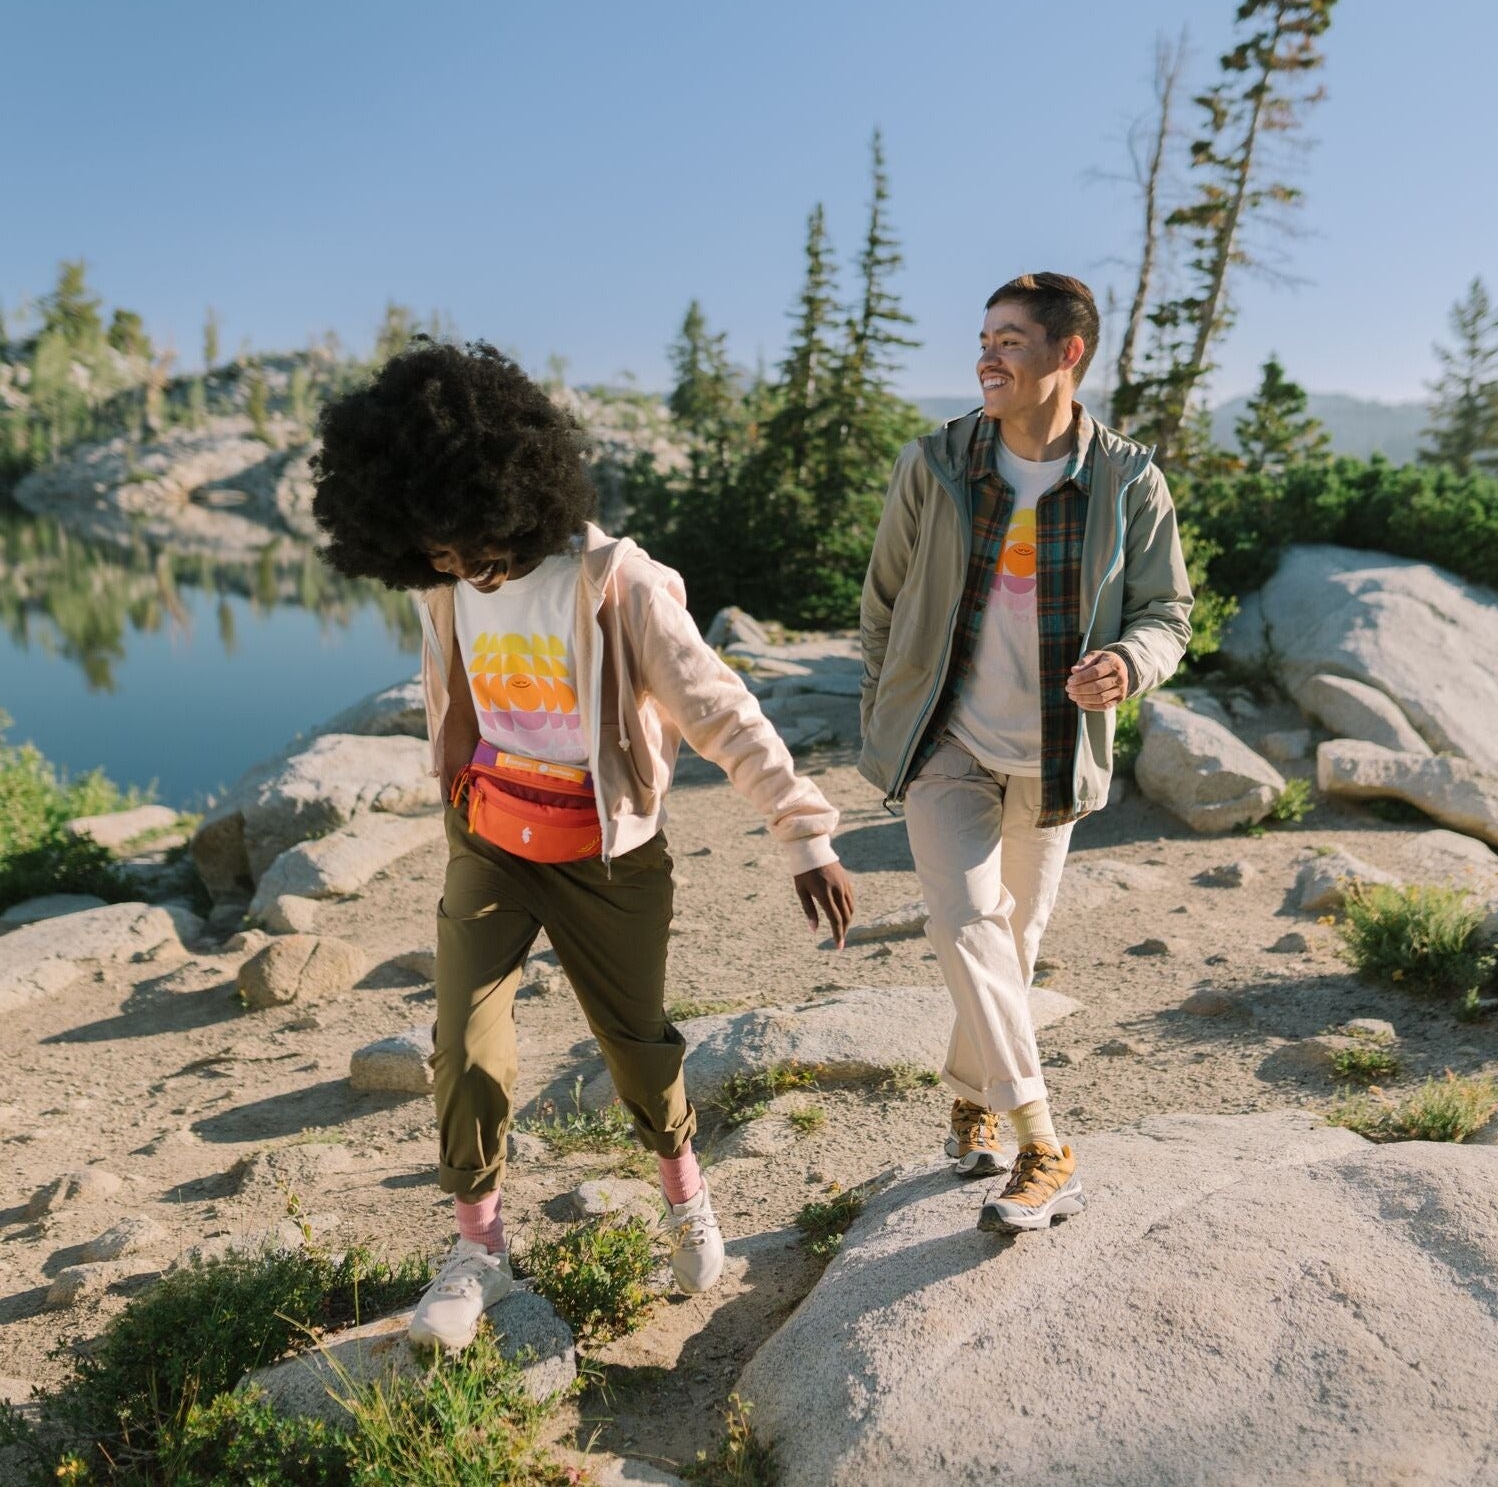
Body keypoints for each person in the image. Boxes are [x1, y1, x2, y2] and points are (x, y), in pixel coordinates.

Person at [311, 339, 856, 1349]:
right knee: (462, 1045)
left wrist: (802, 831)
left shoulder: (615, 583)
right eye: (432, 553)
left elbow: (718, 708)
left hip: (606, 852)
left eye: (468, 544)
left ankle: (683, 1184)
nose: (456, 567)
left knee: (636, 1046)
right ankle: (479, 1249)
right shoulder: (444, 583)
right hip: (490, 838)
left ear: (511, 492)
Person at [858, 272, 1191, 1234]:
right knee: (967, 921)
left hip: (1052, 753)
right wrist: (890, 714)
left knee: (1017, 942)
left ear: (1067, 353)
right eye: (985, 339)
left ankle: (973, 1097)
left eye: (1010, 340)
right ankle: (1044, 1144)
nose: (988, 357)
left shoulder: (1128, 480)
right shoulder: (936, 464)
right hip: (946, 743)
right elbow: (883, 602)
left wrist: (1129, 663)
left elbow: (1168, 613)